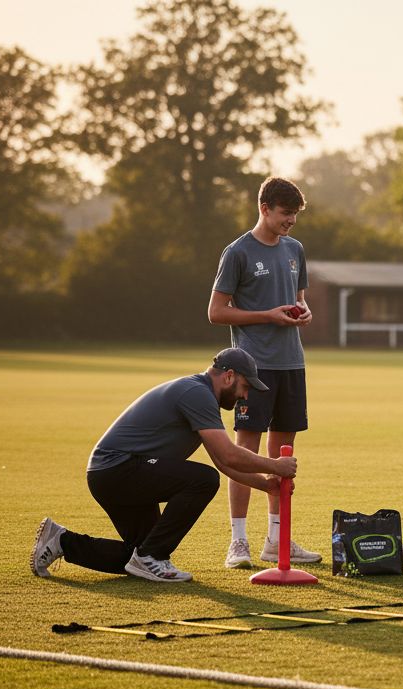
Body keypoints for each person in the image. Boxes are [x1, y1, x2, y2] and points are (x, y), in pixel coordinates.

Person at [29, 348, 298, 583]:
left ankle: (61, 541)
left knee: (136, 555)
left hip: (112, 473)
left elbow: (223, 461)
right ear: (229, 376)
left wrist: (265, 485)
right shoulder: (198, 393)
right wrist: (276, 466)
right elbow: (228, 456)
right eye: (245, 386)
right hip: (118, 469)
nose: (245, 396)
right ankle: (152, 555)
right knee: (203, 480)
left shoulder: (200, 395)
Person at [207, 177, 322, 569]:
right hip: (252, 368)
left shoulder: (295, 250)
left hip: (292, 363)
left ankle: (278, 540)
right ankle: (238, 541)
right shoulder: (238, 252)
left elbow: (299, 299)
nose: (291, 221)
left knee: (282, 455)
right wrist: (266, 316)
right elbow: (216, 311)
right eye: (285, 213)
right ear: (265, 208)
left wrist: (302, 311)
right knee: (245, 453)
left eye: (295, 214)